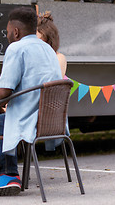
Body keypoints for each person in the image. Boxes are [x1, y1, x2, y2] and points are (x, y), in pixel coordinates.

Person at [0, 7, 62, 196]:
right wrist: (1, 107)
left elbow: (3, 92)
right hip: (49, 121)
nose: (7, 34)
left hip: (27, 121)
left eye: (7, 30)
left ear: (15, 31)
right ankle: (9, 173)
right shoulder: (48, 50)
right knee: (6, 119)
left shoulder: (17, 48)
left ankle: (2, 175)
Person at [36, 12, 70, 152]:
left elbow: (51, 85)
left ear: (50, 41)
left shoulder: (58, 58)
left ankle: (8, 169)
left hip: (47, 114)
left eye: (40, 41)